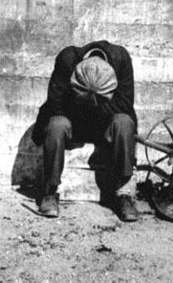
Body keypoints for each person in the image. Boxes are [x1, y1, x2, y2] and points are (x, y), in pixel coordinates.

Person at [31, 40, 139, 221]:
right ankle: (50, 192)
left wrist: (96, 108)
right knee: (56, 125)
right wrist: (82, 104)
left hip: (105, 123)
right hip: (75, 120)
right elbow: (55, 103)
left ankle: (123, 193)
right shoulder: (67, 59)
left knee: (124, 123)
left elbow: (125, 103)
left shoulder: (121, 58)